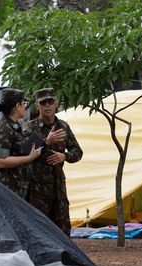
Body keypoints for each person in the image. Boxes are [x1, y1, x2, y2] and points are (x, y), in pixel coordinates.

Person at [29, 87, 82, 234]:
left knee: (63, 231)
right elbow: (25, 154)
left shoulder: (63, 126)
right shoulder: (30, 128)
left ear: (56, 103)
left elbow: (78, 152)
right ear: (37, 105)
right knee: (40, 231)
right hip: (37, 191)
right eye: (43, 102)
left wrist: (64, 156)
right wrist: (46, 141)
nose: (47, 106)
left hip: (58, 188)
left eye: (50, 102)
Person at [0, 88, 42, 200]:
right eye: (24, 104)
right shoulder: (4, 128)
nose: (25, 107)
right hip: (8, 190)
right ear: (18, 106)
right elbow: (1, 161)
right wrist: (29, 158)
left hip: (16, 188)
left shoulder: (13, 125)